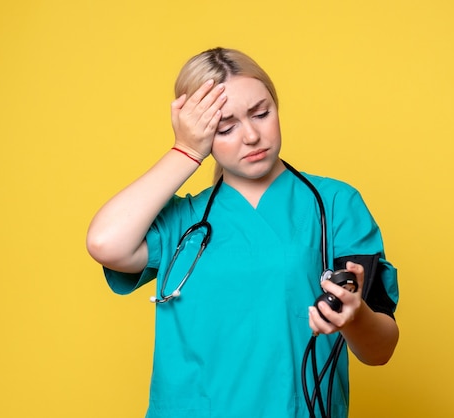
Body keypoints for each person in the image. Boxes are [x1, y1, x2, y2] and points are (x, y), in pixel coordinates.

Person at [86, 47, 399, 418]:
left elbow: (380, 351)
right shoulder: (182, 220)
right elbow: (105, 243)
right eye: (225, 126)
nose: (251, 135)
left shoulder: (333, 205)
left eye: (262, 113)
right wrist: (185, 150)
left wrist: (356, 317)